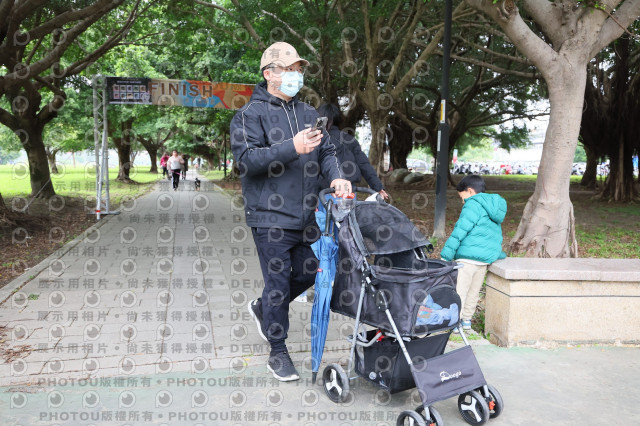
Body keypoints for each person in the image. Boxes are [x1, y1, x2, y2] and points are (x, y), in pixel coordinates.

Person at [230, 41, 351, 382]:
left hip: (307, 214)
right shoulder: (248, 115)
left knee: (314, 270)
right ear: (269, 74)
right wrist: (291, 147)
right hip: (269, 217)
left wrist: (337, 176)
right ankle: (278, 351)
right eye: (289, 69)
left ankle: (264, 308)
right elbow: (247, 161)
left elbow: (326, 151)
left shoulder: (309, 113)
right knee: (279, 282)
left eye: (298, 70)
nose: (296, 75)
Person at [440, 175, 506, 332]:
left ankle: (455, 323)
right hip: (483, 261)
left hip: (467, 259)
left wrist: (446, 255)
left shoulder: (472, 204)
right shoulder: (493, 207)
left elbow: (460, 231)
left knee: (459, 292)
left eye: (462, 197)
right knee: (473, 292)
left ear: (469, 191)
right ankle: (467, 321)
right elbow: (493, 235)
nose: (462, 201)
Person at [317, 103, 388, 200]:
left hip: (325, 192)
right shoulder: (350, 140)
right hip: (349, 192)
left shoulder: (317, 140)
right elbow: (364, 164)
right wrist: (378, 187)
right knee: (349, 210)